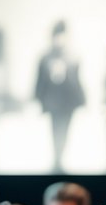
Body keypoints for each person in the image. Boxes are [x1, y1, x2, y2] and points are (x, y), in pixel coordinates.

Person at [34, 21, 86, 168]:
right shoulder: (45, 57)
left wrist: (82, 101)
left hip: (68, 102)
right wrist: (38, 100)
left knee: (65, 130)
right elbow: (39, 81)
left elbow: (77, 81)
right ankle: (57, 160)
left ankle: (60, 158)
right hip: (52, 101)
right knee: (54, 129)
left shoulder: (73, 57)